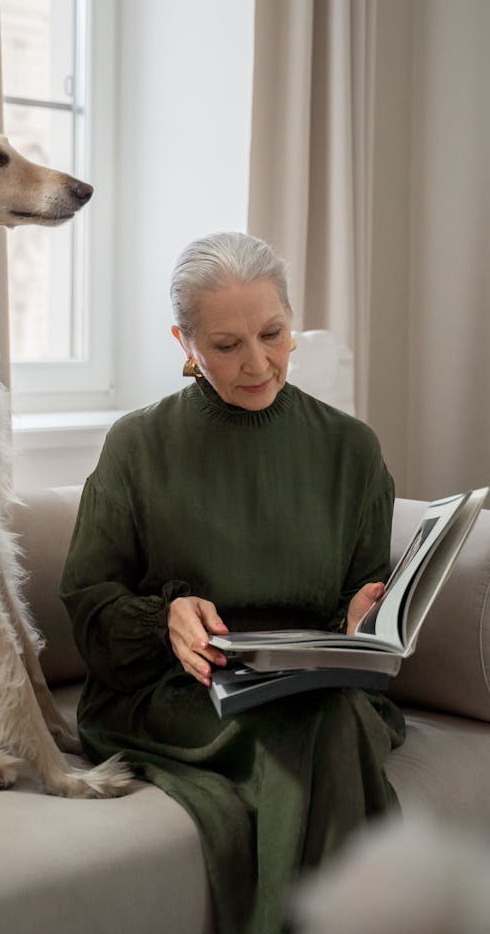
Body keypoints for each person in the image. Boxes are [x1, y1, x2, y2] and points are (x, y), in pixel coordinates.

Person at [59, 231, 406, 934]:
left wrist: (361, 620)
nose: (258, 363)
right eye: (226, 345)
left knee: (327, 716)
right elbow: (89, 607)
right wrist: (166, 620)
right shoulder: (138, 445)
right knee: (327, 729)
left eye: (273, 333)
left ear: (290, 321)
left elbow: (361, 593)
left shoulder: (350, 449)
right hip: (179, 694)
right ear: (185, 343)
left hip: (317, 688)